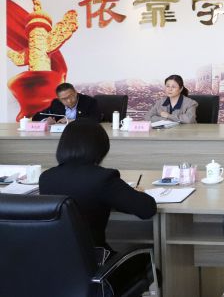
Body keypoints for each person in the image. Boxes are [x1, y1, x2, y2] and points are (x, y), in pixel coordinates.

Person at [39, 120, 157, 291]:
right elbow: (147, 209)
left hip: (57, 270)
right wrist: (131, 193)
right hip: (98, 270)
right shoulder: (103, 178)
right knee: (150, 265)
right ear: (100, 148)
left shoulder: (46, 178)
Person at [32, 82, 101, 123]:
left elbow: (95, 118)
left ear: (75, 92)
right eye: (64, 99)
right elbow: (37, 117)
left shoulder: (89, 101)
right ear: (59, 99)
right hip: (61, 134)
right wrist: (45, 120)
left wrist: (73, 121)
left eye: (70, 96)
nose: (69, 101)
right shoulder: (56, 103)